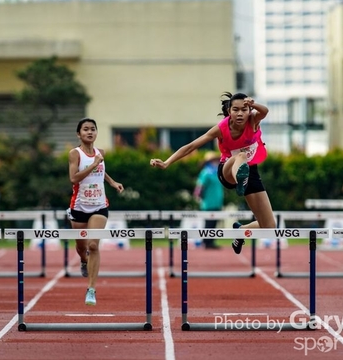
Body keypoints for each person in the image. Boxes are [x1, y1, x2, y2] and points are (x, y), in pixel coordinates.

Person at [151, 92, 276, 254]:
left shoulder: (253, 120)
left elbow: (265, 111)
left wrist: (255, 105)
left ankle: (241, 229)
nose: (240, 114)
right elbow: (192, 146)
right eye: (235, 110)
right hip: (227, 170)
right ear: (229, 111)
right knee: (241, 156)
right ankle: (240, 179)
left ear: (249, 111)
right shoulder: (222, 128)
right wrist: (167, 162)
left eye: (244, 110)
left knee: (270, 227)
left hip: (250, 172)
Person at [67, 118, 124, 306]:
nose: (89, 132)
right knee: (82, 248)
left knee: (93, 245)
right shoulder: (74, 154)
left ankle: (91, 289)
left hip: (99, 205)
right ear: (79, 134)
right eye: (85, 129)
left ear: (96, 133)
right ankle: (83, 261)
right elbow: (74, 179)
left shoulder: (101, 153)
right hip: (79, 206)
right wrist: (93, 164)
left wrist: (112, 182)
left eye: (93, 129)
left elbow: (101, 170)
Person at [193, 151, 224, 249]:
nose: (215, 162)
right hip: (208, 203)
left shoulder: (217, 173)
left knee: (213, 223)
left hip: (217, 202)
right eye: (213, 160)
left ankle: (210, 241)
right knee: (209, 223)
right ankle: (207, 242)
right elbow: (200, 186)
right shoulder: (206, 173)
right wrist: (199, 197)